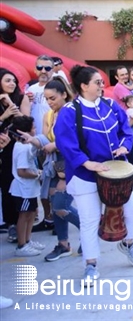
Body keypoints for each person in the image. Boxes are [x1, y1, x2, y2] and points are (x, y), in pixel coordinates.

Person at [55, 65, 133, 283]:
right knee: (90, 219)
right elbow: (65, 143)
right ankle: (91, 264)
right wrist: (87, 163)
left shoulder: (111, 105)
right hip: (85, 174)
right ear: (84, 86)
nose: (102, 86)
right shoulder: (69, 111)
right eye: (97, 82)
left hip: (116, 171)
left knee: (132, 208)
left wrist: (124, 146)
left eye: (102, 82)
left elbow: (125, 130)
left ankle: (128, 243)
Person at [18, 77, 81, 261]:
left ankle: (90, 230)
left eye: (53, 98)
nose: (49, 102)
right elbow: (46, 140)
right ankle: (63, 244)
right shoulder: (50, 115)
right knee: (55, 207)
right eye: (46, 99)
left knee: (61, 205)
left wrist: (56, 145)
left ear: (64, 94)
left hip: (70, 163)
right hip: (54, 165)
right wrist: (32, 140)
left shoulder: (73, 112)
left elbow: (77, 141)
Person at [0, 68, 30, 243]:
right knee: (6, 184)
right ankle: (11, 222)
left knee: (20, 180)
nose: (12, 83)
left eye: (13, 81)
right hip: (3, 147)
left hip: (18, 146)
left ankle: (24, 219)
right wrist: (4, 115)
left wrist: (11, 105)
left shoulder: (21, 98)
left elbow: (25, 122)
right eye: (7, 81)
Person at [26, 55, 56, 229]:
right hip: (36, 142)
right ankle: (48, 219)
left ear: (53, 69)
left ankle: (57, 219)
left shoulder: (58, 89)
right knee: (42, 183)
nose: (43, 71)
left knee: (53, 184)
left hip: (52, 143)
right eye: (40, 67)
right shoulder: (31, 90)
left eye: (47, 68)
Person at [10, 115, 45, 256]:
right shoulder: (22, 149)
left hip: (30, 188)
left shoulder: (26, 146)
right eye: (33, 128)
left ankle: (28, 240)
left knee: (32, 214)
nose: (35, 129)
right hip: (23, 188)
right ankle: (21, 245)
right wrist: (38, 174)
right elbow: (22, 171)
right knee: (24, 216)